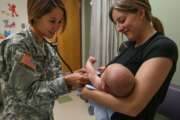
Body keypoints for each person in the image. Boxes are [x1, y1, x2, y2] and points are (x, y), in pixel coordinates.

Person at [81, 0, 178, 120]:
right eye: (116, 23)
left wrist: (87, 93)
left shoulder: (162, 47)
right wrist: (104, 71)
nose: (118, 29)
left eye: (121, 21)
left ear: (141, 13)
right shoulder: (128, 46)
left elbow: (132, 107)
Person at [0, 0, 88, 120]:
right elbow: (28, 94)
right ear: (35, 16)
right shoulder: (19, 46)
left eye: (60, 21)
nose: (57, 27)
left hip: (44, 114)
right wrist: (66, 82)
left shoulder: (48, 47)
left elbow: (48, 79)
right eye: (52, 21)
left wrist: (74, 77)